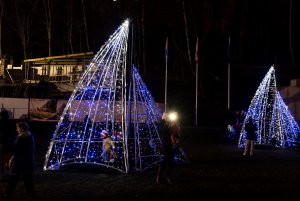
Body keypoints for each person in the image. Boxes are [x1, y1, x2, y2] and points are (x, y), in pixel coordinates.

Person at [4, 121, 35, 201]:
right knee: (28, 180)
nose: (17, 130)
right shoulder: (30, 136)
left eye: (17, 128)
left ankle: (8, 194)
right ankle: (30, 195)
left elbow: (17, 150)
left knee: (13, 179)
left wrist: (12, 159)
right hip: (28, 161)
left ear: (21, 128)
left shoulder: (21, 138)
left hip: (19, 162)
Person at [156, 113, 174, 184]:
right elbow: (163, 131)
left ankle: (168, 176)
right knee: (165, 160)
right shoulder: (161, 124)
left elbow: (175, 132)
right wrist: (169, 126)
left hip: (171, 144)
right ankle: (159, 176)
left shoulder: (171, 123)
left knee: (171, 161)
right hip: (165, 144)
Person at [0, 110, 16, 182]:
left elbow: (2, 135)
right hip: (10, 144)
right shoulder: (11, 123)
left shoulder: (2, 123)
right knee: (8, 160)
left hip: (4, 144)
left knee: (2, 160)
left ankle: (3, 175)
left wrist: (2, 142)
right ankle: (9, 174)